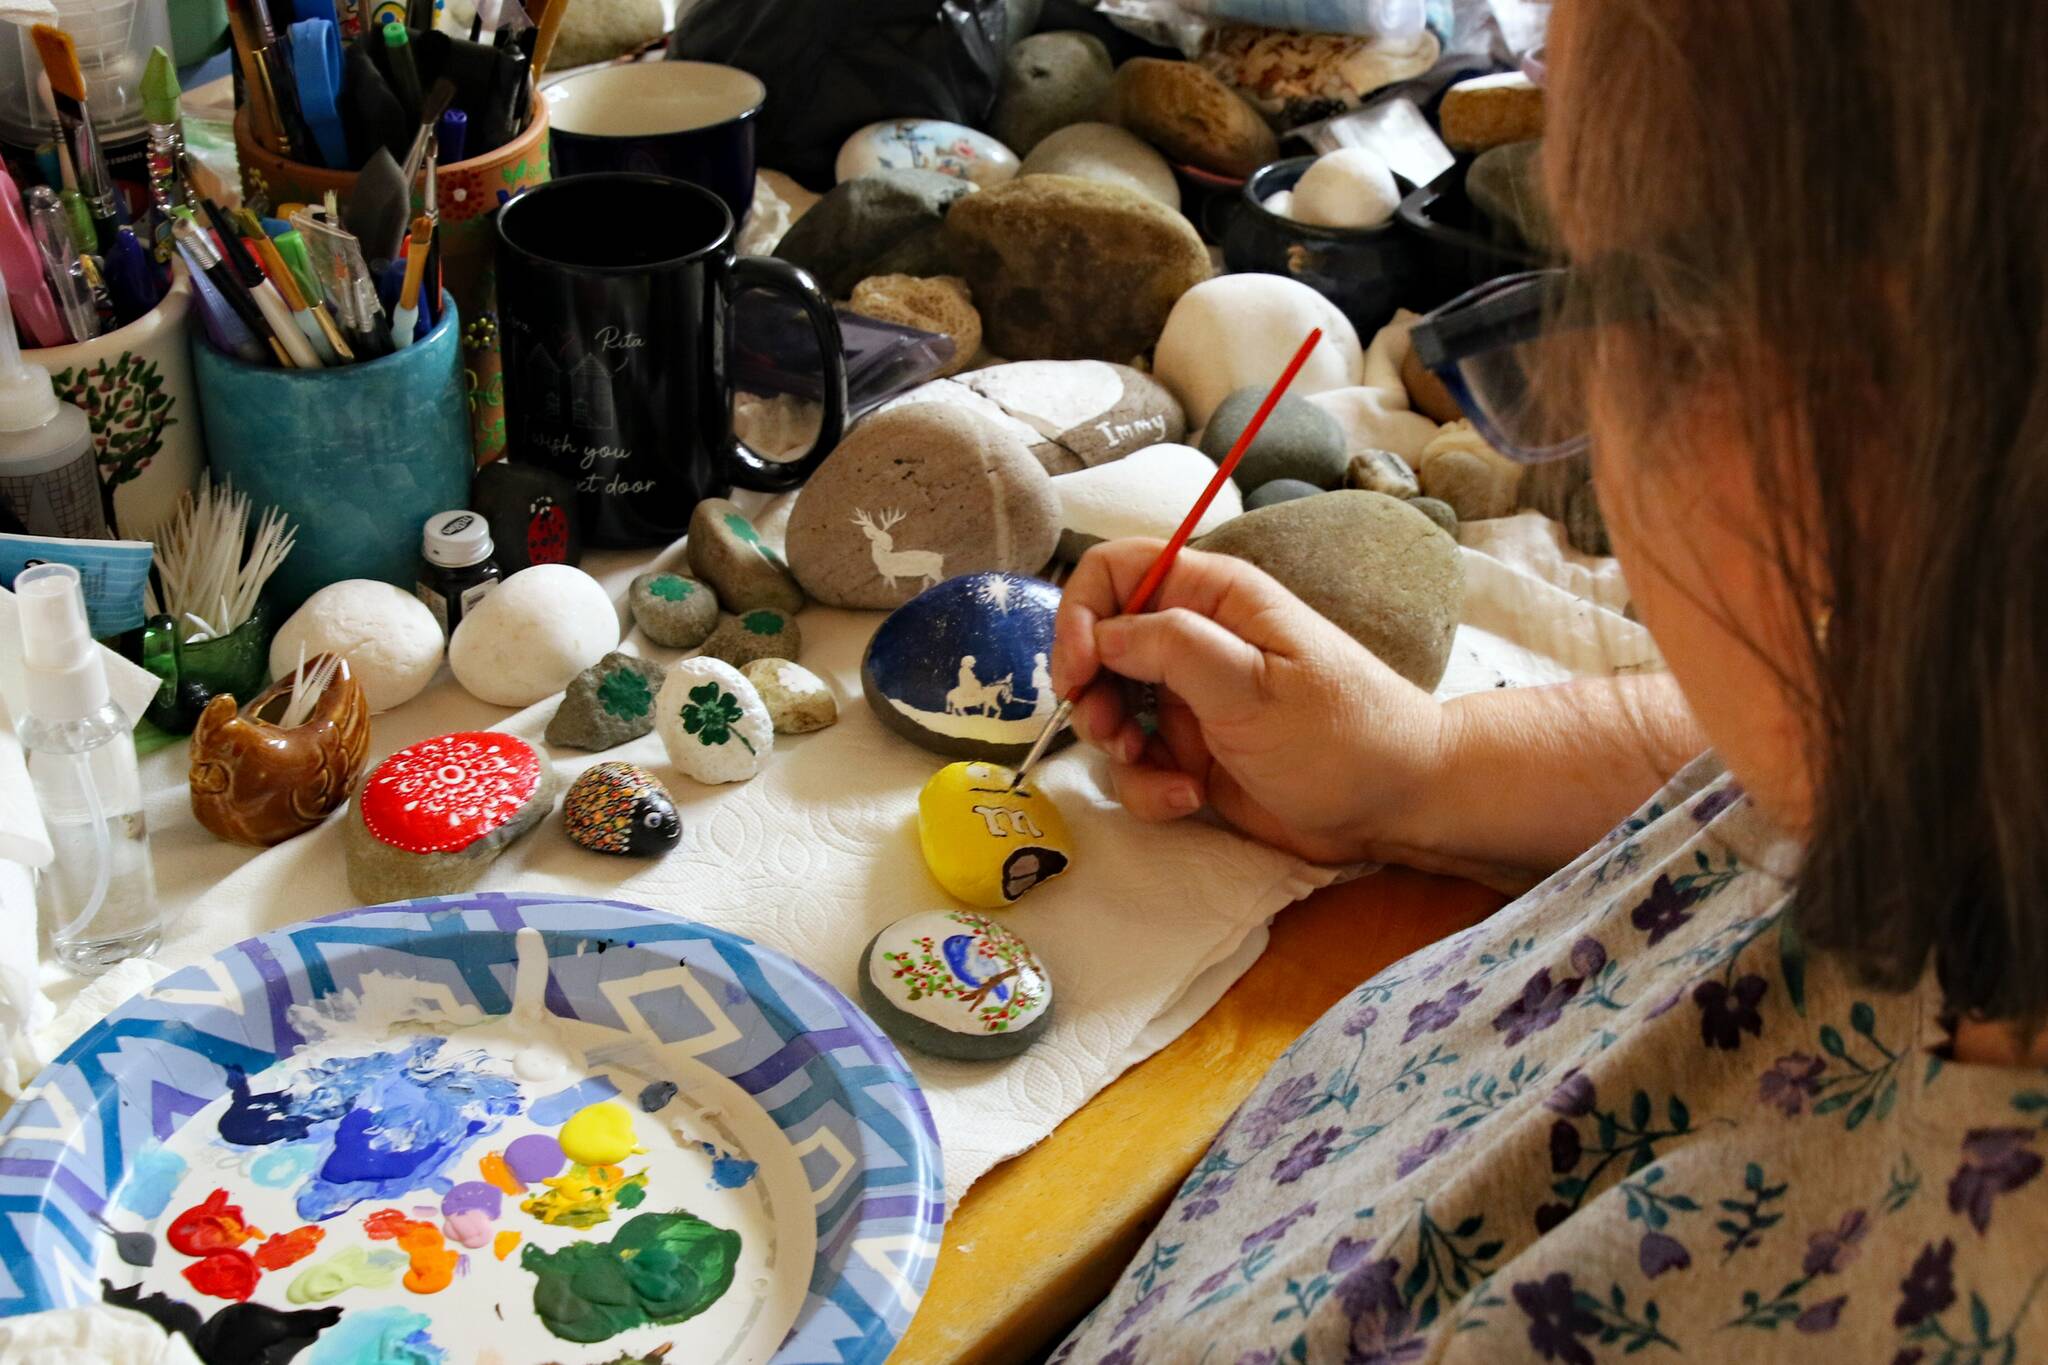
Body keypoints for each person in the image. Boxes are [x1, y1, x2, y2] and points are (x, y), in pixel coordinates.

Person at [1048, 2, 2048, 1360]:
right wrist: (1418, 769)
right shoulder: (1935, 712)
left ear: (1867, 434)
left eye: (1585, 284)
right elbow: (1733, 745)